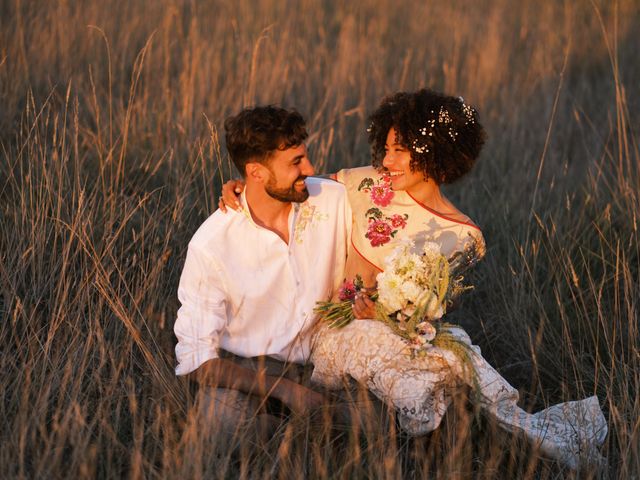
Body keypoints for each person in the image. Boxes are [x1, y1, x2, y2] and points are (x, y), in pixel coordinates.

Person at [219, 89, 608, 468]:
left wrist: (387, 315)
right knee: (427, 367)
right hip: (334, 326)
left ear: (435, 153)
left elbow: (428, 312)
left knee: (451, 356)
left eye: (400, 151)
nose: (387, 161)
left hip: (396, 334)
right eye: (385, 148)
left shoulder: (464, 236)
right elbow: (289, 186)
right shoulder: (363, 183)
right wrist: (242, 186)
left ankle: (487, 448)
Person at [174, 105, 352, 442]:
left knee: (377, 425)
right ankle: (287, 430)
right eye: (296, 162)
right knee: (222, 428)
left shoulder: (332, 199)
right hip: (252, 372)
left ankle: (307, 435)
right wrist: (286, 391)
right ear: (255, 172)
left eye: (306, 156)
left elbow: (393, 181)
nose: (310, 168)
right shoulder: (211, 244)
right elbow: (197, 360)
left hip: (329, 361)